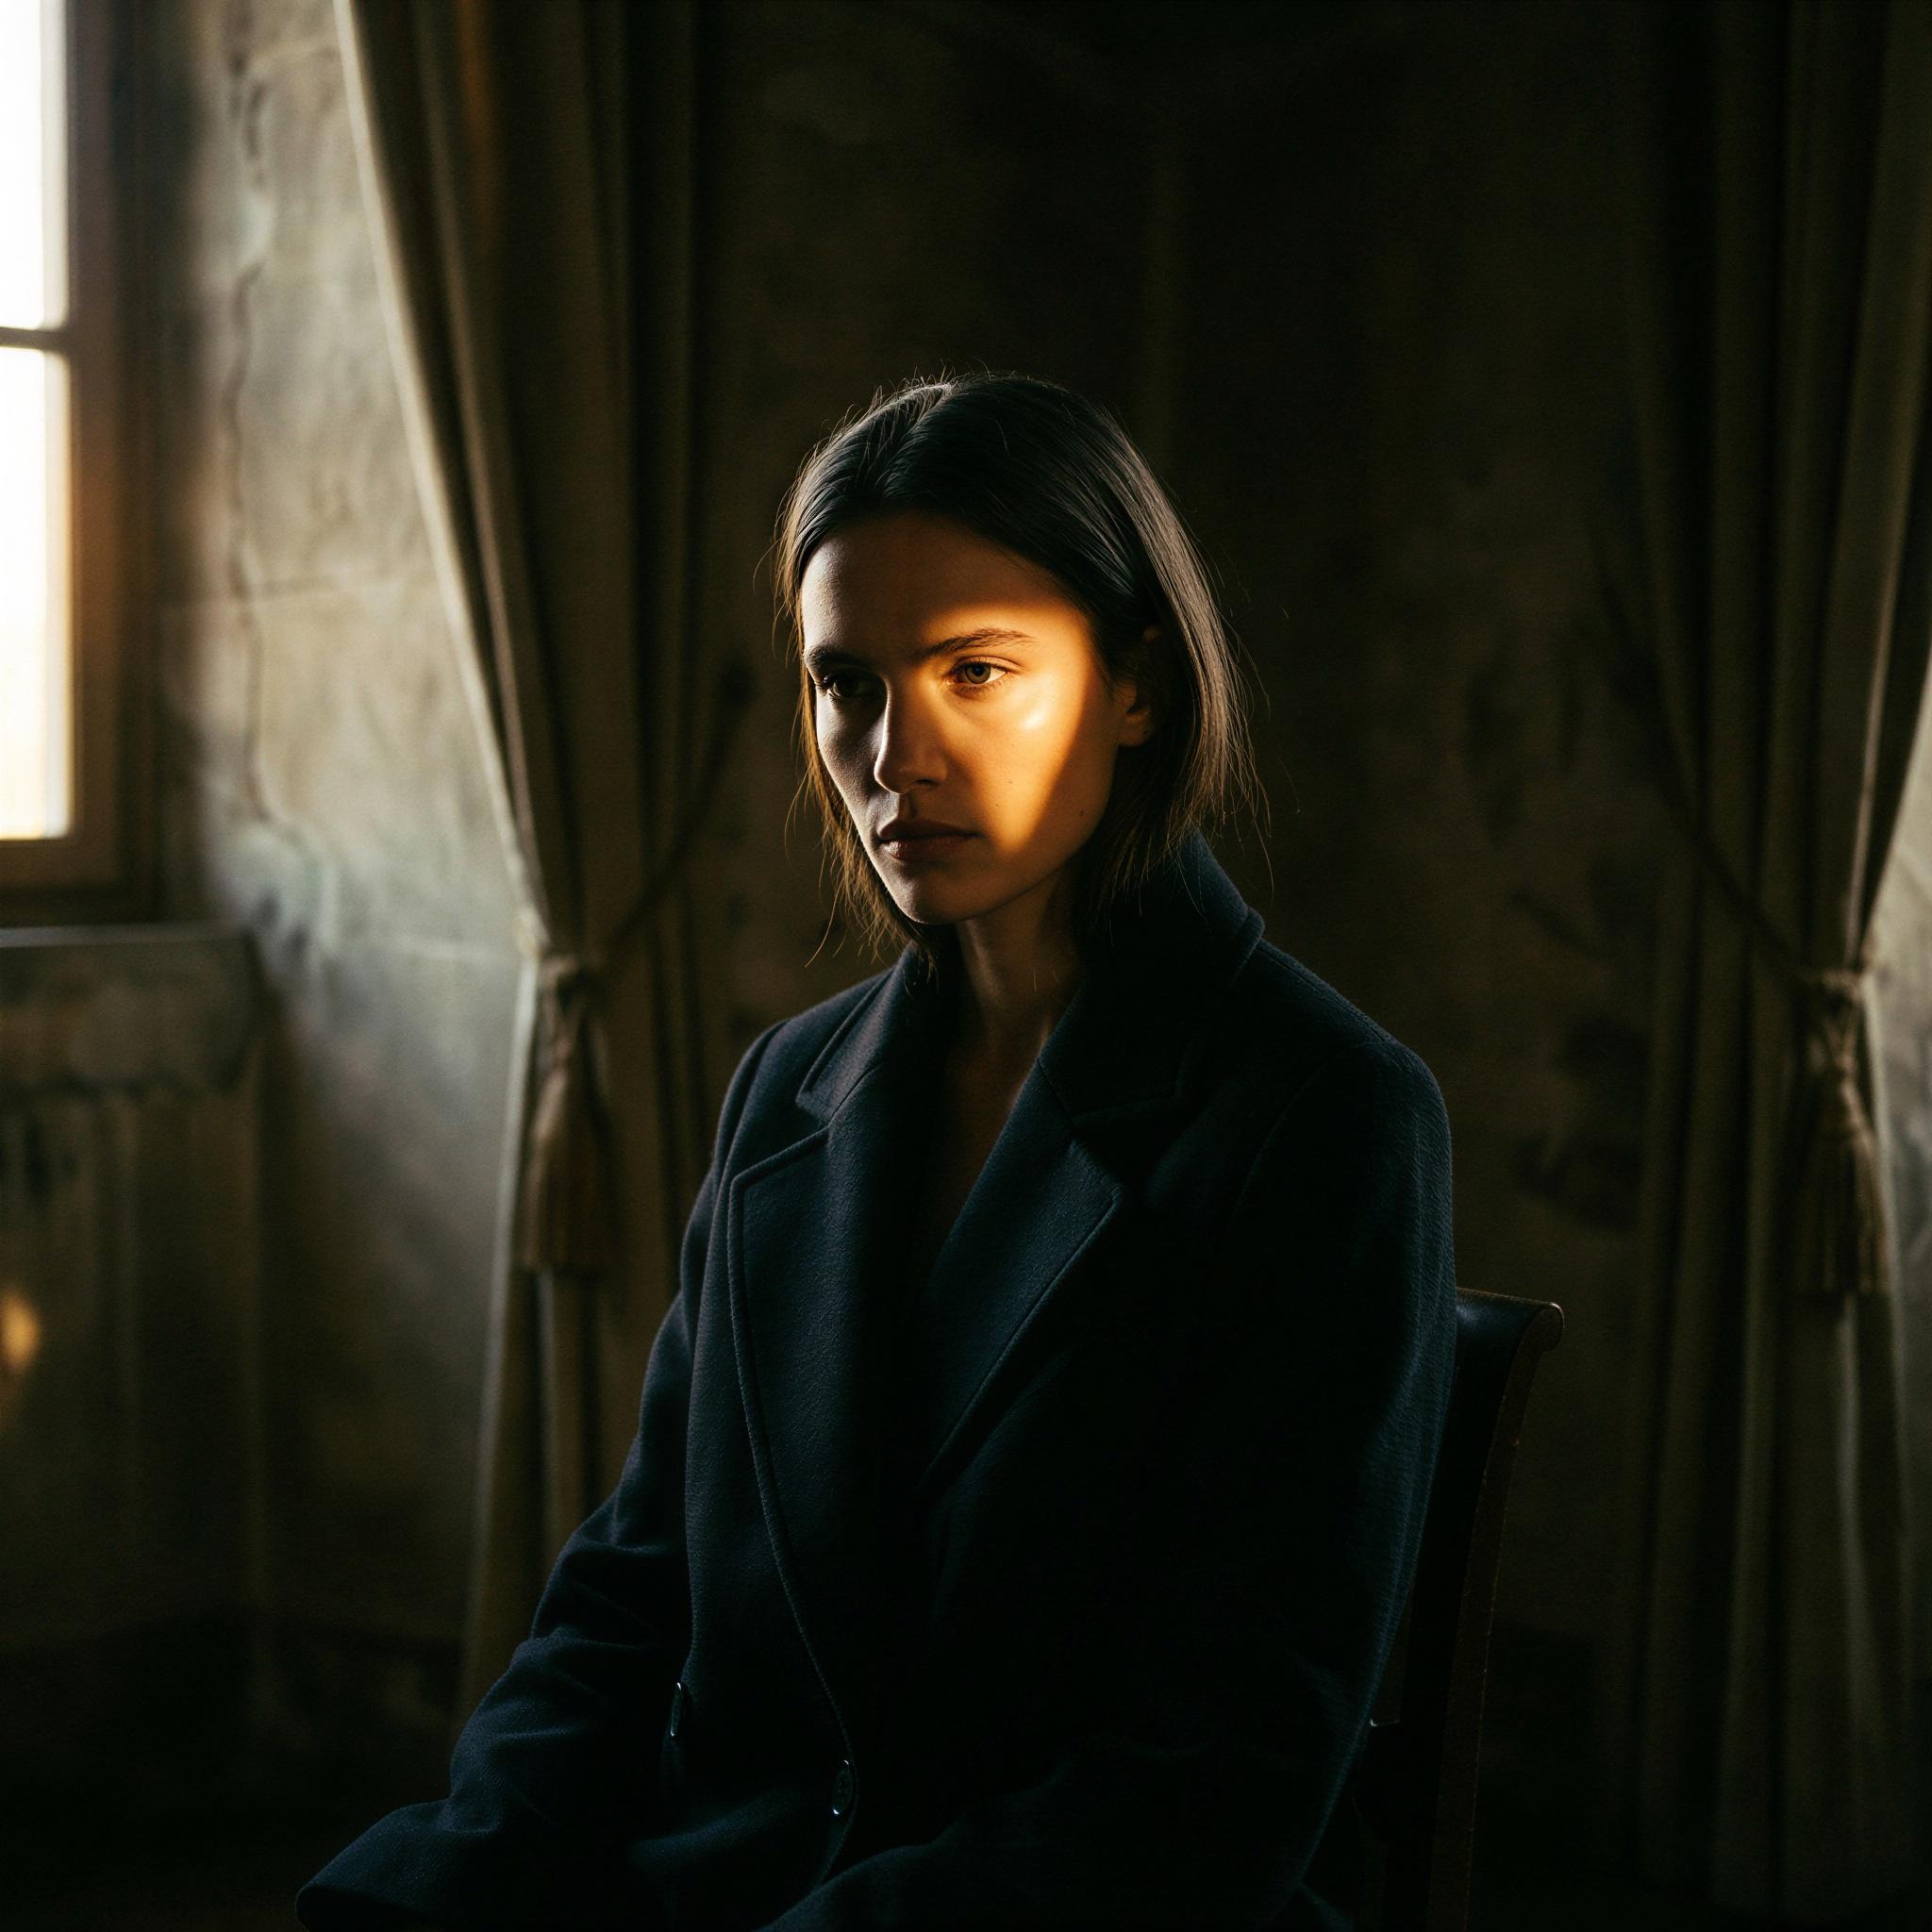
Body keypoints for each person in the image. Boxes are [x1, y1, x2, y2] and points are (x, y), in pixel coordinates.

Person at [296, 371, 1457, 1931]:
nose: (895, 750)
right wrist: (443, 1879)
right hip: (734, 1875)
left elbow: (1221, 1771)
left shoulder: (1323, 1116)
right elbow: (633, 1598)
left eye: (976, 670)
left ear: (1138, 685)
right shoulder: (791, 1091)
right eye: (846, 682)